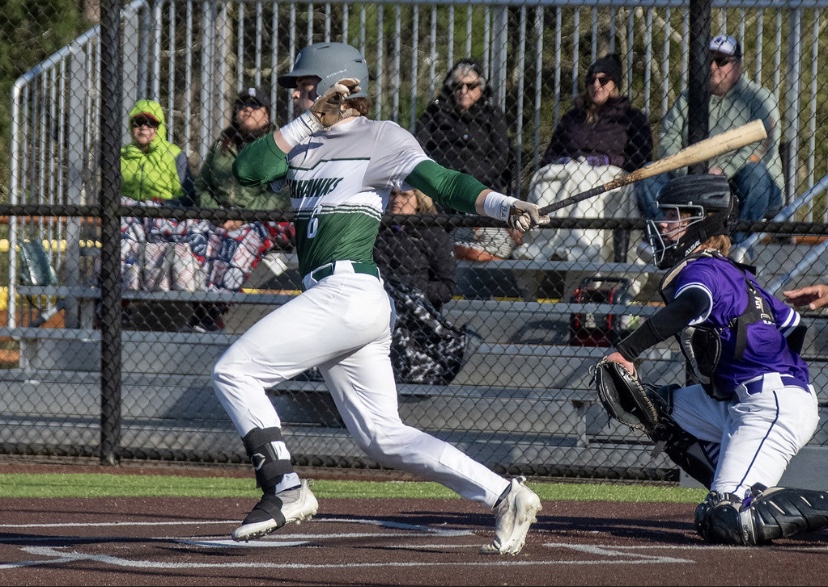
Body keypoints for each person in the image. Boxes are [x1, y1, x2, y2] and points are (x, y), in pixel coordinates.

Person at [215, 41, 547, 554]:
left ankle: (285, 487)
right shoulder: (299, 141)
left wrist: (503, 205)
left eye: (307, 85)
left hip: (349, 292)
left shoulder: (380, 135)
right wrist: (309, 121)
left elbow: (444, 181)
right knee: (381, 437)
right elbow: (248, 170)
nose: (299, 94)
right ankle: (505, 494)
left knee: (234, 371)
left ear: (337, 84)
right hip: (338, 299)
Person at [599, 173, 826, 546]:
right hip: (739, 399)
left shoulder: (703, 270)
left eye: (675, 216)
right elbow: (793, 329)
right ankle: (735, 483)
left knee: (727, 520)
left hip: (768, 406)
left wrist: (628, 350)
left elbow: (692, 304)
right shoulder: (735, 273)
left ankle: (737, 496)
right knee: (646, 404)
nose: (664, 225)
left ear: (702, 221)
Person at [513, 54, 652, 300]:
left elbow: (640, 160)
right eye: (591, 80)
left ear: (615, 84)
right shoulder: (573, 118)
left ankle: (582, 253)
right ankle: (538, 252)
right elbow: (550, 156)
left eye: (603, 79)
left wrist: (605, 163)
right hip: (567, 178)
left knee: (585, 179)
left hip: (608, 178)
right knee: (550, 177)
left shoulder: (631, 119)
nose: (596, 85)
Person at [635, 34, 784, 245]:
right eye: (708, 60)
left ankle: (737, 248)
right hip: (694, 178)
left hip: (736, 179)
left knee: (755, 174)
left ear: (738, 66)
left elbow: (759, 148)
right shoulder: (688, 98)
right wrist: (693, 171)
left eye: (721, 61)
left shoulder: (759, 98)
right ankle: (669, 244)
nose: (713, 66)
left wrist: (721, 171)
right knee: (648, 176)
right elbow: (668, 141)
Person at [188, 86, 293, 332]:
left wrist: (242, 215)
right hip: (220, 217)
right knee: (195, 238)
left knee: (240, 244)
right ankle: (200, 309)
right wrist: (217, 212)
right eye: (242, 105)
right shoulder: (223, 143)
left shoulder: (278, 145)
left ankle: (210, 313)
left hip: (263, 219)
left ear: (266, 113)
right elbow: (202, 185)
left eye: (255, 105)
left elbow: (283, 194)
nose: (247, 109)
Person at [415, 58, 517, 262]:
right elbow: (418, 148)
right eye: (457, 86)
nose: (464, 91)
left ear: (481, 88)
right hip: (440, 183)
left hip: (481, 183)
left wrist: (470, 178)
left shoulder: (491, 115)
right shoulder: (435, 113)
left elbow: (501, 157)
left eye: (471, 86)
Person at [375, 188, 464, 385]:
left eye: (404, 195)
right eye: (393, 194)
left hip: (416, 314)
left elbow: (446, 288)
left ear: (419, 201)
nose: (396, 200)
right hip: (379, 308)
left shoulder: (434, 234)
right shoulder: (376, 231)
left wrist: (409, 289)